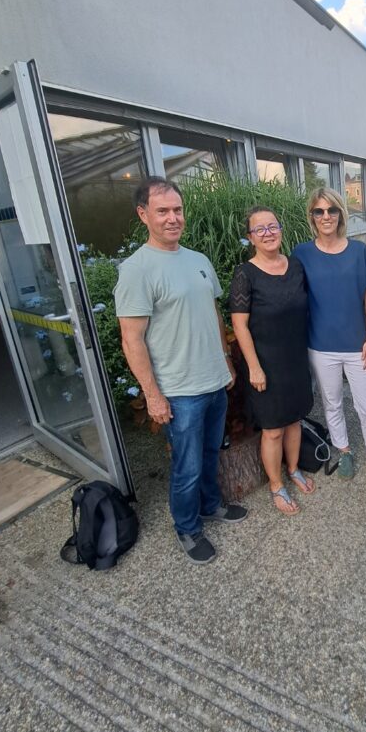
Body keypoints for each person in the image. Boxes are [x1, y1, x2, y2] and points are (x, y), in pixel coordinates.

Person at [114, 176, 248, 565]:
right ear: (144, 215)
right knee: (186, 467)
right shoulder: (137, 270)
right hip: (179, 391)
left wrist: (225, 360)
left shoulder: (198, 260)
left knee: (210, 453)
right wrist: (153, 395)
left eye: (177, 210)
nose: (173, 218)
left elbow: (213, 313)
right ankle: (187, 528)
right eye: (163, 211)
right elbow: (131, 339)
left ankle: (210, 506)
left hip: (212, 380)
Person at [293, 188, 366, 483]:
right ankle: (344, 450)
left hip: (358, 344)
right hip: (321, 345)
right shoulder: (301, 253)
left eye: (332, 210)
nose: (326, 216)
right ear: (312, 217)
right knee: (332, 401)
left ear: (340, 214)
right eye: (319, 211)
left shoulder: (358, 251)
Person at [229, 206, 314, 516]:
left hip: (295, 358)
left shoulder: (295, 266)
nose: (267, 233)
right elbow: (239, 325)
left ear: (280, 229)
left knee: (294, 421)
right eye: (259, 229)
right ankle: (276, 484)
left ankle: (293, 469)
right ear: (250, 237)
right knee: (273, 429)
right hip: (265, 363)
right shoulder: (245, 274)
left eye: (272, 226)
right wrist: (253, 366)